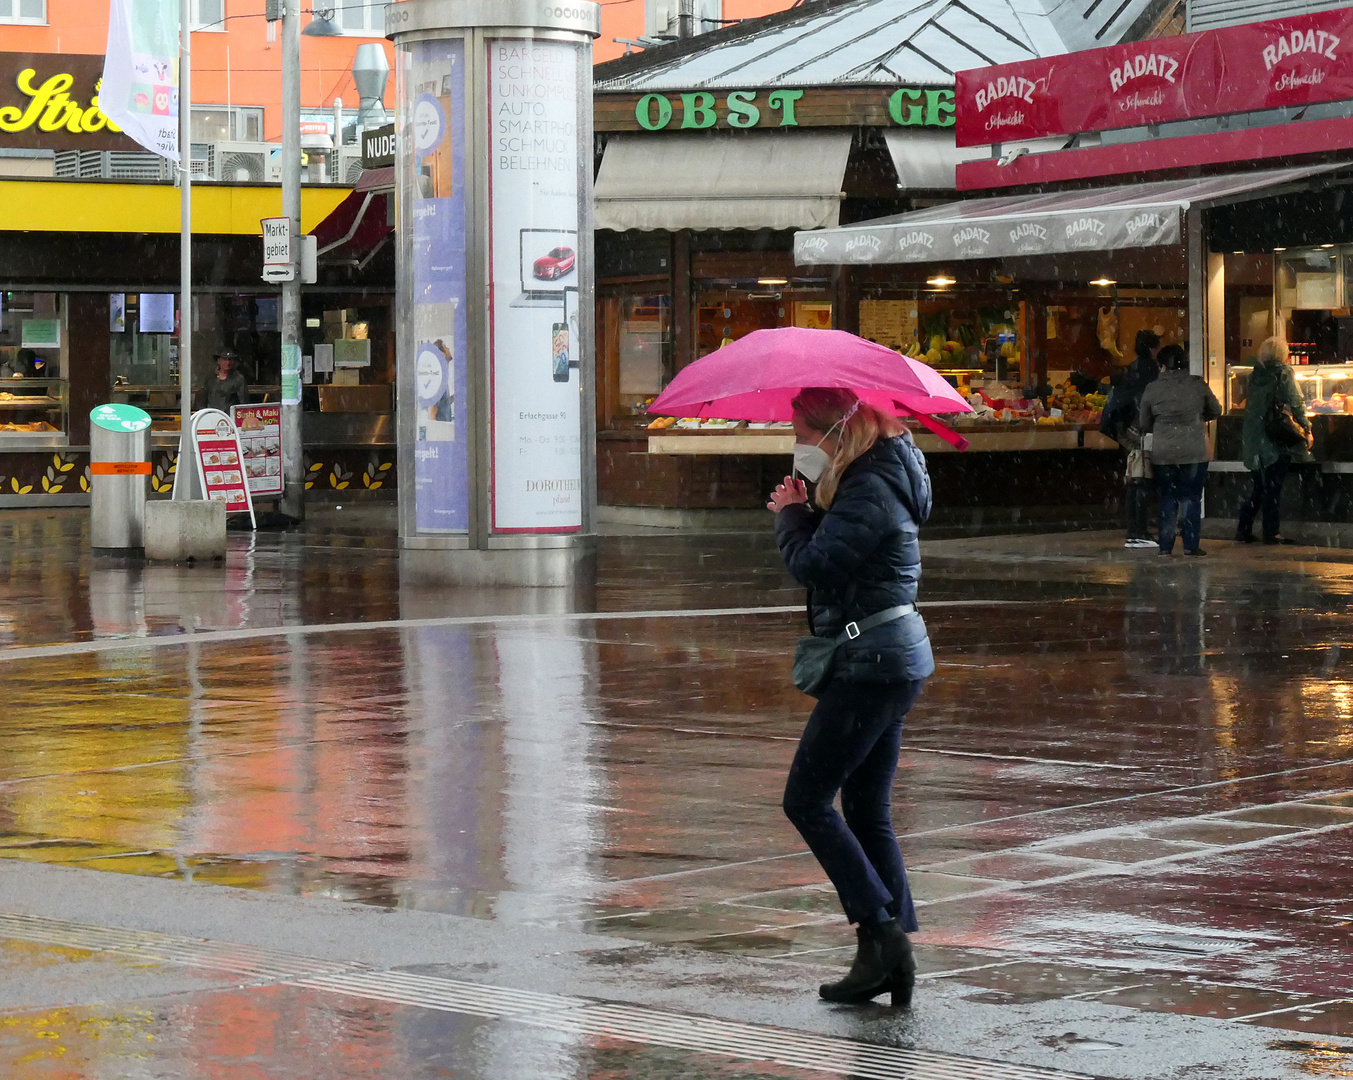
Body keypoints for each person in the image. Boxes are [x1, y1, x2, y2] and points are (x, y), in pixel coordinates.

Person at [766, 387, 935, 1009]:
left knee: (806, 800)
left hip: (873, 662)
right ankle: (887, 953)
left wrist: (790, 514)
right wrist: (810, 510)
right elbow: (840, 558)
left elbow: (817, 566)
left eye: (802, 434)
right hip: (888, 655)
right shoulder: (878, 474)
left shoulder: (869, 485)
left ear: (836, 430)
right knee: (866, 808)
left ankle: (884, 935)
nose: (798, 447)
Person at [1138, 344, 1222, 557]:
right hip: (1194, 450)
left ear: (1163, 365)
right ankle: (1190, 545)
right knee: (1192, 497)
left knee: (1168, 497)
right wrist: (1197, 419)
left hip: (1164, 453)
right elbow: (1216, 409)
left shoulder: (1152, 388)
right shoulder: (1197, 385)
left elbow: (1144, 422)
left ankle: (1165, 546)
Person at [1237, 336, 1312, 545]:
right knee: (1273, 488)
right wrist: (1306, 426)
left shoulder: (1256, 374)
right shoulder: (1284, 372)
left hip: (1253, 438)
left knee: (1260, 486)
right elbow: (1296, 402)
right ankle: (1271, 532)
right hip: (1274, 438)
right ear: (1283, 354)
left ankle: (1244, 527)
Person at [1101, 330, 1161, 548]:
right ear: (1154, 348)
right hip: (1138, 432)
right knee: (1140, 480)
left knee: (1135, 479)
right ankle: (1137, 531)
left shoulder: (1135, 368)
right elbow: (1147, 401)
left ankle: (1135, 530)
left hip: (1126, 431)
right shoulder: (1149, 370)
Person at [202, 348, 250, 414]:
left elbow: (243, 402)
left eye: (230, 359)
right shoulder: (210, 378)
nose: (228, 362)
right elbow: (204, 399)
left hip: (229, 417)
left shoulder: (239, 379)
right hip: (211, 415)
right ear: (219, 361)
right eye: (225, 359)